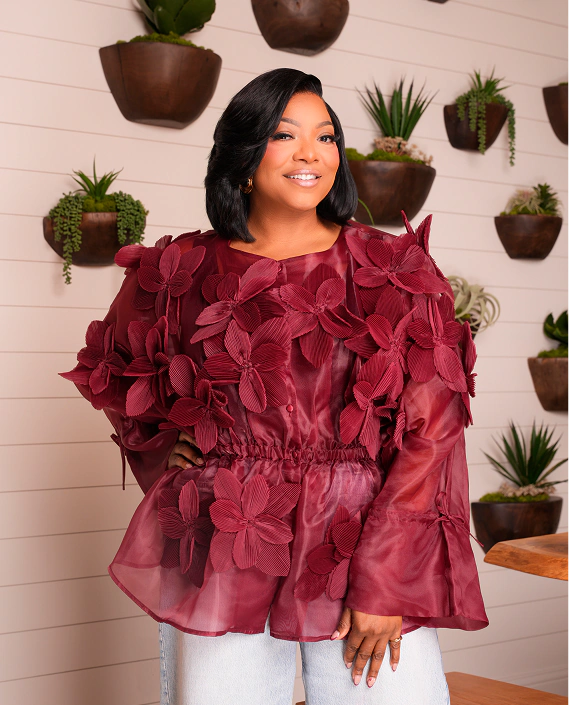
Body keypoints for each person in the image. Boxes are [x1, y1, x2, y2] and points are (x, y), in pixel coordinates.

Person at [62, 68, 488, 705]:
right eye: (285, 135)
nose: (311, 153)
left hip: (359, 537)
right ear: (242, 156)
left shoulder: (392, 269)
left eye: (326, 136)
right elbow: (116, 369)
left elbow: (432, 431)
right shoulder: (182, 270)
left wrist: (386, 579)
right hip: (228, 534)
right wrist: (164, 450)